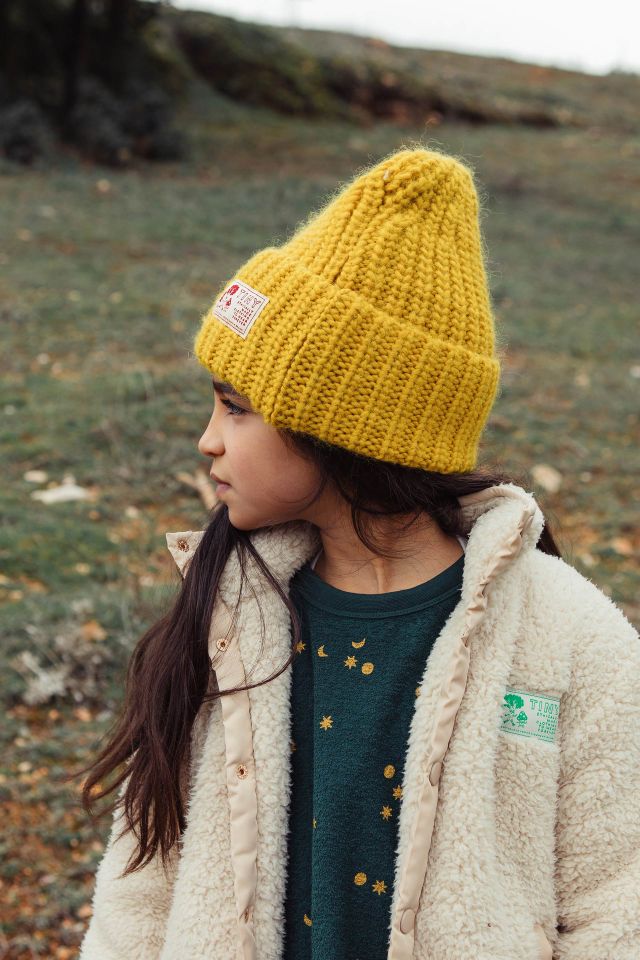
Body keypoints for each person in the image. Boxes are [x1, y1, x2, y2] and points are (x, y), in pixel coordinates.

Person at [76, 146, 639, 960]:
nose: (208, 441)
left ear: (345, 424)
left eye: (236, 407)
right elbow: (141, 896)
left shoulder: (572, 641)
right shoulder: (227, 615)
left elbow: (620, 911)